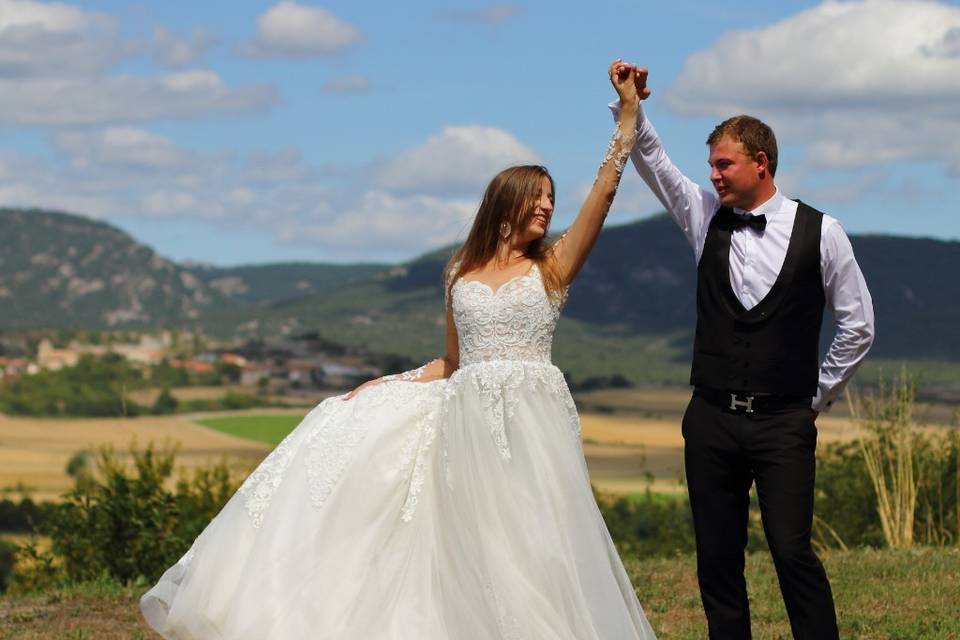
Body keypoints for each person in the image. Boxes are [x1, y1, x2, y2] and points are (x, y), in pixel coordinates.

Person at [140, 61, 657, 639]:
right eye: (537, 196)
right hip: (466, 422)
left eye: (551, 198)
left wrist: (628, 117)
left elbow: (604, 193)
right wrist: (385, 386)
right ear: (505, 203)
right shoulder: (459, 272)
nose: (547, 206)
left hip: (532, 421)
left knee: (539, 544)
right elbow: (454, 362)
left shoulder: (554, 267)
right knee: (469, 544)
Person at [612, 65, 875, 639]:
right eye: (711, 165)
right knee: (717, 561)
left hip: (784, 422)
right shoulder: (705, 217)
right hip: (709, 419)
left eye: (723, 164)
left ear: (762, 161)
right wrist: (632, 107)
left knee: (791, 550)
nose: (713, 175)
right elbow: (655, 163)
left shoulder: (823, 232)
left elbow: (858, 325)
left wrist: (815, 397)